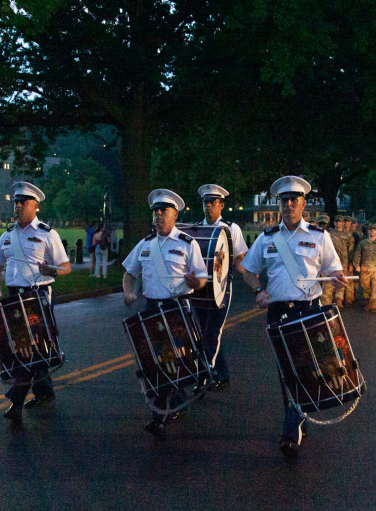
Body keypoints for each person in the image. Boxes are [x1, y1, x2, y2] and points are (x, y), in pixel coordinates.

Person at [240, 175, 347, 459]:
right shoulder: (267, 238)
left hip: (307, 310)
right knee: (285, 371)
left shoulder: (318, 236)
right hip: (277, 312)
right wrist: (258, 290)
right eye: (284, 200)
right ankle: (298, 416)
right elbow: (248, 270)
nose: (289, 205)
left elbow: (333, 268)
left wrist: (336, 277)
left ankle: (291, 430)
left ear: (303, 204)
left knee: (304, 368)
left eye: (294, 200)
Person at [122, 189, 208, 440]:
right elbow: (129, 273)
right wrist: (129, 292)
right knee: (156, 360)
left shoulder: (187, 244)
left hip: (176, 308)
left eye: (164, 211)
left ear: (175, 214)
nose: (158, 216)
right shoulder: (144, 245)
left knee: (174, 359)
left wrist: (196, 283)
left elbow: (201, 278)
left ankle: (160, 415)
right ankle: (173, 403)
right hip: (151, 308)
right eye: (156, 211)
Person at [0, 181, 72, 424]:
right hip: (14, 297)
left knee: (27, 348)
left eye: (23, 202)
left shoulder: (47, 234)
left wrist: (53, 270)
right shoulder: (7, 235)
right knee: (31, 348)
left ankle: (16, 400)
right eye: (16, 202)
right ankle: (44, 391)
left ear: (35, 206)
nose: (18, 206)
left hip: (38, 297)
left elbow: (65, 267)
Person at [192, 184, 249, 390]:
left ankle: (204, 374)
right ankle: (222, 374)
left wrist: (251, 275)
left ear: (221, 205)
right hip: (199, 289)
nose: (208, 206)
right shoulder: (196, 228)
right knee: (202, 333)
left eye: (213, 202)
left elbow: (240, 258)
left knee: (212, 332)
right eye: (205, 202)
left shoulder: (231, 228)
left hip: (221, 288)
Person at [352, 225, 376, 312]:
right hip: (365, 268)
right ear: (367, 231)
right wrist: (357, 265)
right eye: (370, 230)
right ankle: (368, 301)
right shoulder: (362, 243)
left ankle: (374, 304)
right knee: (366, 286)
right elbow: (358, 255)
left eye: (374, 230)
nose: (372, 232)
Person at [323, 215, 353, 308]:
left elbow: (351, 250)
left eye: (340, 221)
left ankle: (339, 300)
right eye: (336, 221)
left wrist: (350, 263)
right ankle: (326, 303)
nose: (338, 223)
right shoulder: (329, 234)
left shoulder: (348, 235)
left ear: (343, 223)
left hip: (343, 261)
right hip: (330, 260)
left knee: (341, 280)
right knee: (328, 282)